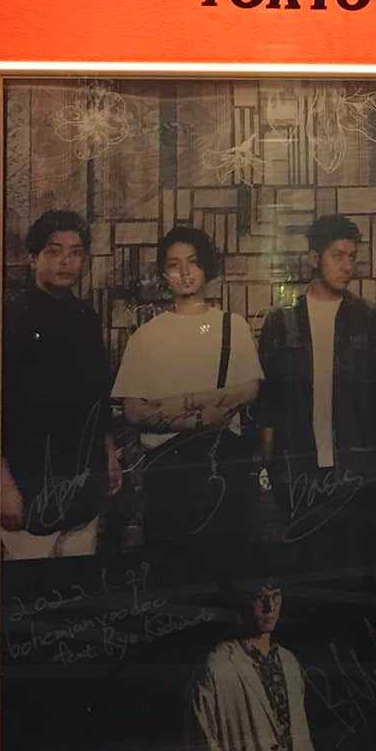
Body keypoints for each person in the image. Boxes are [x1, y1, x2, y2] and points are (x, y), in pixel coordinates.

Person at [112, 225, 261, 578]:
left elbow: (249, 389)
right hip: (166, 470)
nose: (184, 272)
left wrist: (180, 401)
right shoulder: (146, 336)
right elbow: (133, 409)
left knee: (225, 569)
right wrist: (196, 419)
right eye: (174, 264)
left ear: (205, 267)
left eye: (192, 262)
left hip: (221, 464)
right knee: (173, 572)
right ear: (164, 274)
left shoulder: (232, 326)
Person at [256, 215, 376, 569]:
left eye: (352, 257)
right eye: (337, 256)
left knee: (358, 567)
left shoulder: (369, 318)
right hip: (299, 469)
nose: (347, 266)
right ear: (313, 258)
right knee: (304, 567)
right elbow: (269, 404)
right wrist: (268, 469)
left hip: (356, 470)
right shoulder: (281, 322)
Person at [0, 209, 121, 559]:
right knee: (31, 576)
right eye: (54, 252)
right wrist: (2, 481)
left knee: (78, 575)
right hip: (27, 477)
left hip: (84, 472)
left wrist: (109, 453)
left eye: (75, 252)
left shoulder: (87, 317)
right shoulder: (11, 315)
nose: (65, 262)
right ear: (33, 258)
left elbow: (98, 395)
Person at [187, 576, 322, 751]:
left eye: (275, 597)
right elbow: (202, 742)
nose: (270, 608)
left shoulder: (289, 662)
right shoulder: (218, 667)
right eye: (260, 598)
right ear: (243, 601)